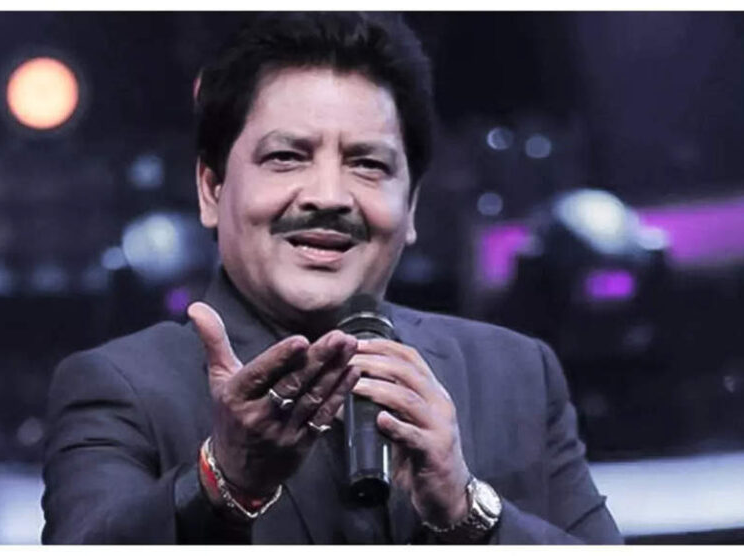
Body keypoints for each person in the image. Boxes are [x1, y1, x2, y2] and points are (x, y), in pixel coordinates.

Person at [41, 12, 622, 544]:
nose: (328, 196)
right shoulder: (120, 387)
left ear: (411, 208)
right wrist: (221, 480)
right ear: (212, 190)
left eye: (368, 164)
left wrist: (468, 509)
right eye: (287, 157)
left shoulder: (517, 375)